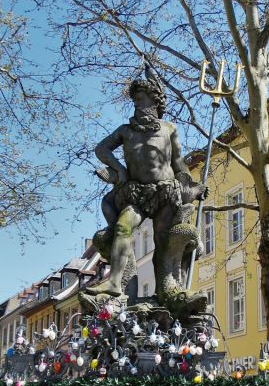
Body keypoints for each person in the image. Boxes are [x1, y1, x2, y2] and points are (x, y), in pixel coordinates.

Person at [86, 68, 207, 308]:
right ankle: (114, 283)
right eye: (135, 99)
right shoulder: (126, 131)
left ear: (155, 100)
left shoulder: (168, 129)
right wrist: (119, 170)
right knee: (122, 227)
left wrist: (192, 186)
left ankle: (169, 291)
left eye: (141, 98)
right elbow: (101, 149)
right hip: (137, 192)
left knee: (164, 241)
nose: (137, 103)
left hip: (165, 192)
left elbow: (178, 162)